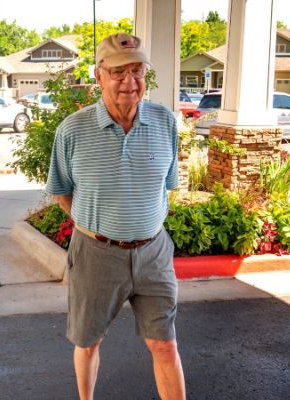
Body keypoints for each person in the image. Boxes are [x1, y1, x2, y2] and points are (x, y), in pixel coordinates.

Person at [46, 33, 186, 399]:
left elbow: (167, 184)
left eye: (137, 70)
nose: (130, 82)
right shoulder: (72, 130)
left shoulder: (165, 122)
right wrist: (96, 225)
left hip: (153, 253)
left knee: (165, 345)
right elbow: (61, 190)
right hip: (96, 254)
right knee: (89, 341)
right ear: (99, 76)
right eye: (118, 72)